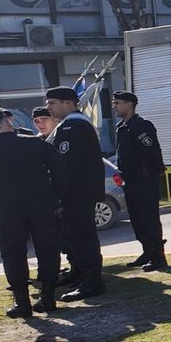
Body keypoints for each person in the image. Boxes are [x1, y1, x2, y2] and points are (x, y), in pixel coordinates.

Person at [0, 109, 67, 318]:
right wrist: (56, 198)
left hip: (9, 211)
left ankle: (22, 304)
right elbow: (59, 170)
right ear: (6, 123)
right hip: (43, 207)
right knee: (48, 250)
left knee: (13, 256)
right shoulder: (35, 143)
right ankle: (47, 298)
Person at [44, 86, 106, 301]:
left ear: (68, 103)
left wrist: (58, 194)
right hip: (76, 193)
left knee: (82, 237)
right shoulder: (68, 126)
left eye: (52, 103)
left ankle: (92, 282)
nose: (48, 108)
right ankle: (80, 274)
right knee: (74, 236)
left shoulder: (74, 127)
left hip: (77, 194)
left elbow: (65, 166)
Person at [111, 91, 168, 271]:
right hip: (129, 181)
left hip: (144, 181)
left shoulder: (142, 126)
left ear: (129, 104)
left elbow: (152, 152)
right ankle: (147, 252)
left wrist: (148, 174)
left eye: (118, 103)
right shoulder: (122, 127)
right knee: (137, 220)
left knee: (149, 219)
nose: (114, 106)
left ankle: (158, 258)